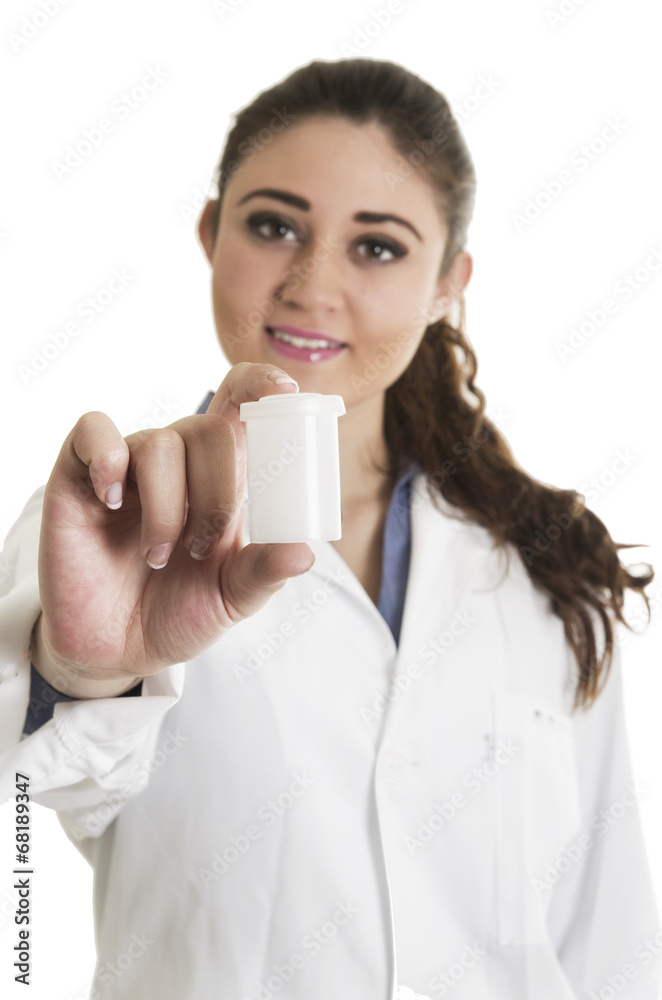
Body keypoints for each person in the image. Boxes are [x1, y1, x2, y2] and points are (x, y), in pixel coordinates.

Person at [0, 57, 660, 999]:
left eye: (379, 246)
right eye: (274, 227)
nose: (312, 284)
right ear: (209, 233)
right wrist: (89, 673)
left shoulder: (545, 567)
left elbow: (611, 940)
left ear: (448, 282)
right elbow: (43, 789)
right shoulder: (111, 527)